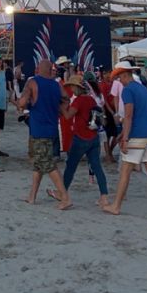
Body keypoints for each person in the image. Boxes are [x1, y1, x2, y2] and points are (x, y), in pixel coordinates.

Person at [103, 62, 147, 220]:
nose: (119, 80)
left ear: (124, 75)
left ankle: (116, 206)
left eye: (119, 77)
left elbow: (128, 116)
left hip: (137, 134)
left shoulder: (128, 90)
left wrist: (125, 138)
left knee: (125, 172)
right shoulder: (143, 88)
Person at [17, 59, 71, 208]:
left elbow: (22, 103)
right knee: (38, 163)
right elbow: (66, 98)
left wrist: (23, 103)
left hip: (39, 129)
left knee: (47, 164)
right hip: (52, 128)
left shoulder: (33, 82)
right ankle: (32, 196)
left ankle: (65, 197)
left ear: (38, 69)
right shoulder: (56, 84)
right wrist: (58, 109)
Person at [58, 74, 109, 207]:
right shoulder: (91, 99)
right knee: (97, 167)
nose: (71, 89)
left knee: (71, 166)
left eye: (72, 86)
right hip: (93, 136)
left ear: (76, 87)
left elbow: (68, 116)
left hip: (81, 137)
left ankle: (62, 193)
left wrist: (62, 107)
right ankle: (104, 196)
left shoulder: (78, 100)